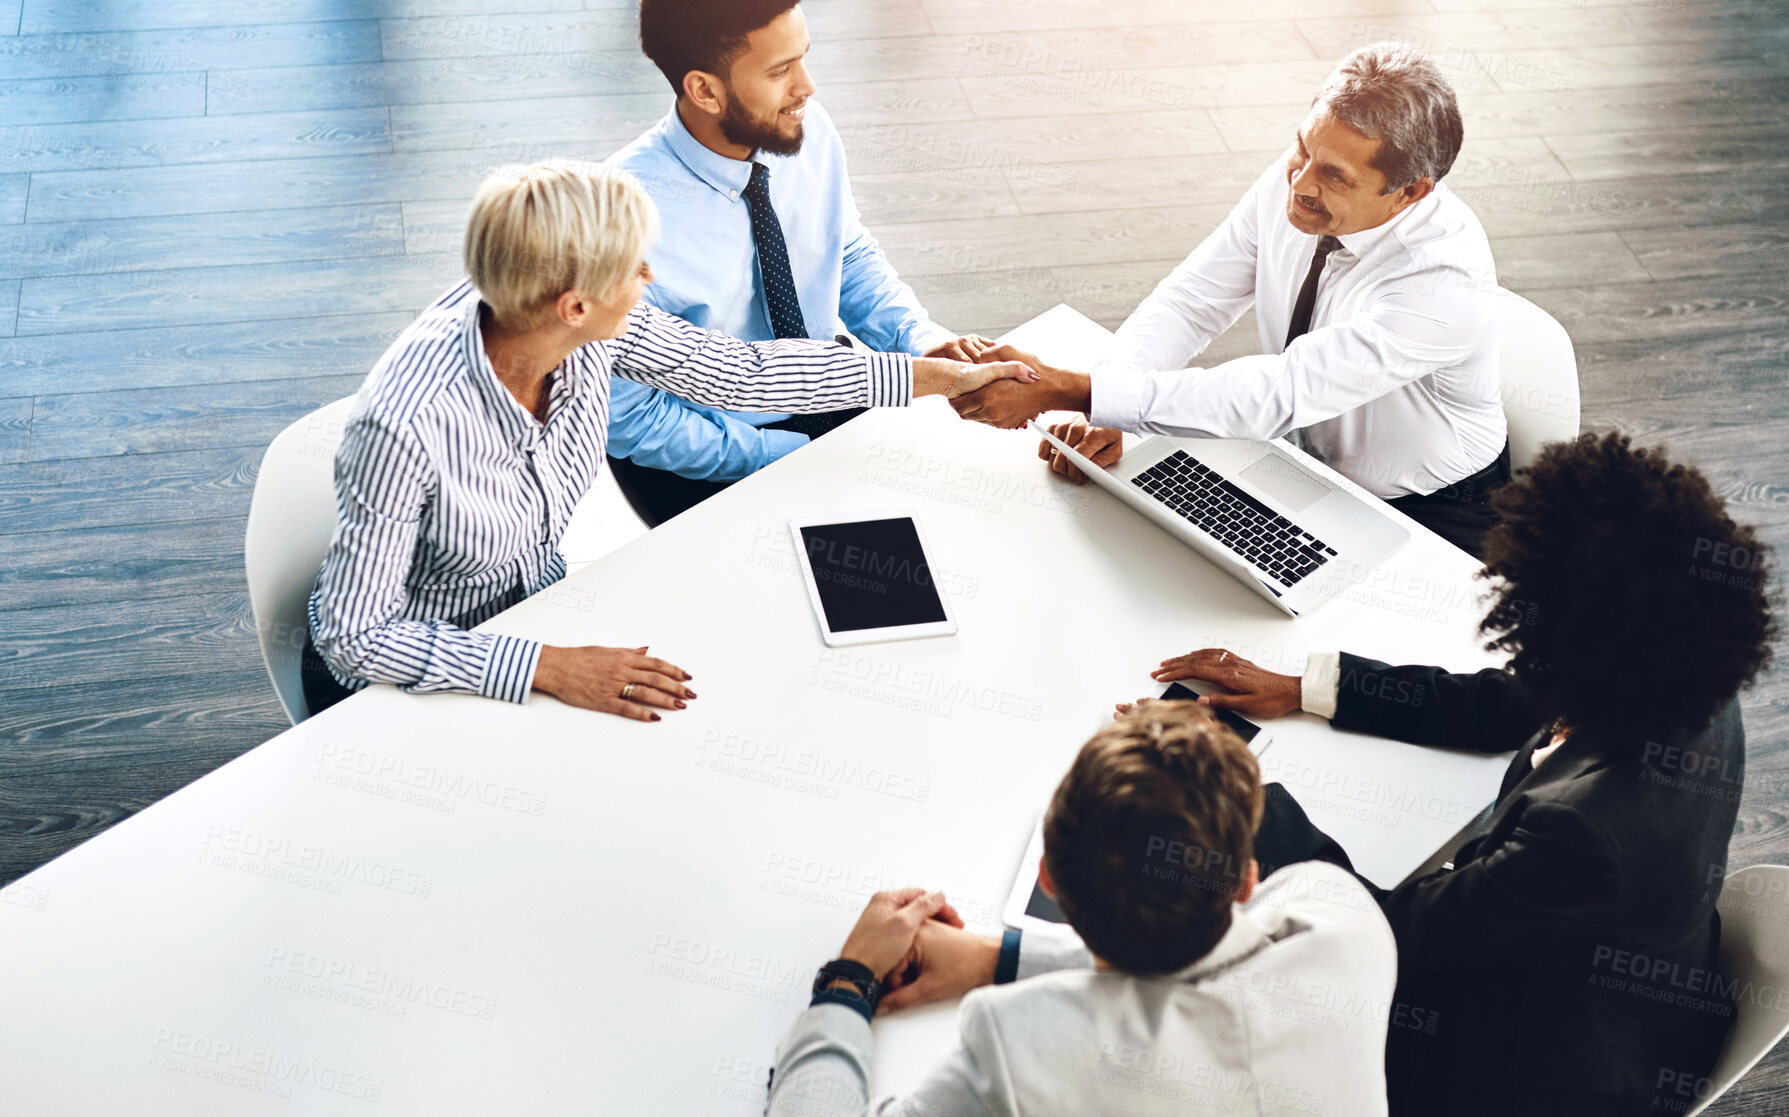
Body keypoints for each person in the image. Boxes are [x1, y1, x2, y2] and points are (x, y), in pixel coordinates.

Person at [1144, 432, 1777, 1115]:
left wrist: (1233, 790)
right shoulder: (1687, 675)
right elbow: (1513, 701)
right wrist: (1308, 687)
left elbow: (1384, 934)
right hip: (1633, 989)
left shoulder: (1578, 833)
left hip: (1534, 1073)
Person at [303, 160, 1034, 720]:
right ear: (575, 304)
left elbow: (743, 374)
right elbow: (354, 636)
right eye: (636, 268)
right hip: (416, 678)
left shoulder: (574, 326)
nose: (649, 278)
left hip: (542, 606)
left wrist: (933, 378)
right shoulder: (402, 426)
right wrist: (548, 666)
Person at [953, 43, 1511, 558]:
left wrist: (1078, 391)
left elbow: (1283, 390)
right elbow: (1194, 299)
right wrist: (1114, 399)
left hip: (1431, 512)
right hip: (1297, 466)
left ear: (1410, 191)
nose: (1299, 183)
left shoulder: (1444, 280)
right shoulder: (1298, 177)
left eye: (1334, 175)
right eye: (1302, 146)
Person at [766, 702, 1397, 1115]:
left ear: (1051, 884)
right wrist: (998, 957)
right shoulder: (1344, 920)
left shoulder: (1022, 1051)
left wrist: (846, 985)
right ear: (1246, 879)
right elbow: (1214, 967)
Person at [602, 0, 988, 527]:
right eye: (780, 70)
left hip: (836, 387)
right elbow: (630, 416)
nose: (807, 87)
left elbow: (844, 251)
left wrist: (914, 339)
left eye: (802, 58)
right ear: (705, 90)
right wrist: (781, 456)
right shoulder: (613, 219)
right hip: (708, 450)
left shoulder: (800, 125)